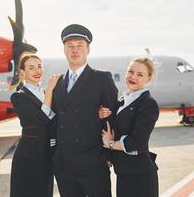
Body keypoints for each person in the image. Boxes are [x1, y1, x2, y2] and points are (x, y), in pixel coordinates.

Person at [51, 24, 118, 197]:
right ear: (64, 50)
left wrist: (108, 155)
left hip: (94, 164)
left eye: (80, 45)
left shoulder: (102, 79)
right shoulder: (57, 84)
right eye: (70, 46)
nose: (75, 50)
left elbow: (112, 118)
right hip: (65, 167)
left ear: (88, 49)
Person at [100, 56, 159, 197]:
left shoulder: (148, 104)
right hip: (124, 173)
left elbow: (136, 142)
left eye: (140, 75)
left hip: (140, 175)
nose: (133, 77)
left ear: (148, 79)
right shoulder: (122, 101)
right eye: (130, 72)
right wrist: (101, 114)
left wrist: (110, 143)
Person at [10, 53, 60, 197]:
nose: (38, 71)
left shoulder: (44, 93)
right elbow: (42, 119)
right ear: (22, 72)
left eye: (39, 66)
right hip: (29, 157)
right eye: (31, 68)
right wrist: (50, 89)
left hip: (47, 155)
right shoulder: (19, 97)